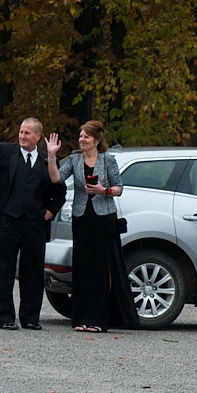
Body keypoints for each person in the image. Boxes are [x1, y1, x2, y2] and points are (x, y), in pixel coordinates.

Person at [0, 118, 67, 331]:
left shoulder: (46, 160)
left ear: (38, 136)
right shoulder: (4, 152)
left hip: (34, 224)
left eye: (27, 133)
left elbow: (60, 190)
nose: (22, 136)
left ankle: (30, 318)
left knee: (33, 272)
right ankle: (6, 318)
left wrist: (51, 211)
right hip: (7, 222)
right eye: (21, 132)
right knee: (4, 271)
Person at [44, 120, 138, 332]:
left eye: (86, 136)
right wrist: (51, 156)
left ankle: (98, 321)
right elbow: (56, 178)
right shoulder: (74, 159)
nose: (82, 140)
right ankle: (81, 319)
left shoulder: (108, 160)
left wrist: (102, 190)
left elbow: (119, 189)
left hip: (104, 218)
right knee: (83, 267)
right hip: (81, 218)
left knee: (100, 269)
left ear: (96, 139)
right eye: (80, 136)